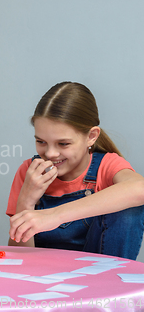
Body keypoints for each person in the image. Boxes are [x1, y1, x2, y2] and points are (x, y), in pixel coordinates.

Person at [7, 81, 144, 260]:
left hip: (98, 276)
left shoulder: (106, 166)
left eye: (63, 143)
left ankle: (110, 286)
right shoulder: (30, 172)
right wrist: (25, 202)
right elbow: (18, 259)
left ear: (91, 137)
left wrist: (55, 215)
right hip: (44, 278)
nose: (50, 153)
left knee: (130, 208)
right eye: (41, 141)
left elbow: (139, 188)